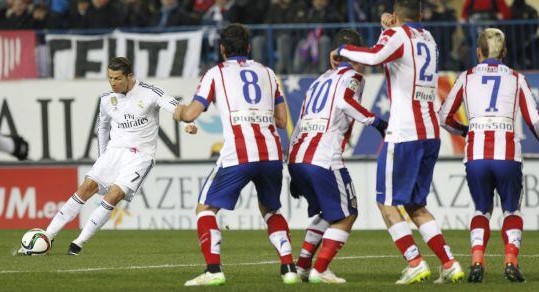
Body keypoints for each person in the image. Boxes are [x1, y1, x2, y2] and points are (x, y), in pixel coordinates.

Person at [330, 0, 465, 284]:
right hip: (430, 133)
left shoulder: (397, 36)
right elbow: (396, 55)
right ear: (419, 14)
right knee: (415, 204)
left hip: (404, 133)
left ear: (395, 14)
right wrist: (385, 28)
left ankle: (415, 262)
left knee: (385, 202)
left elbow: (375, 57)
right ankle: (449, 262)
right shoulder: (428, 39)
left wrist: (341, 50)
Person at [27, 57, 197, 256]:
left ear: (130, 76)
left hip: (140, 156)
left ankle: (79, 243)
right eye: (110, 78)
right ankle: (48, 235)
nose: (113, 83)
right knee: (85, 188)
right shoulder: (107, 99)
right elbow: (103, 127)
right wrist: (102, 156)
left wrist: (187, 124)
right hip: (114, 152)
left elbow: (176, 107)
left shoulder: (150, 92)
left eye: (117, 78)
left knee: (114, 195)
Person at [174, 23, 300, 286]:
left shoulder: (215, 74)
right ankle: (289, 268)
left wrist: (179, 112)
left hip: (238, 155)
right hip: (272, 153)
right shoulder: (268, 72)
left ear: (222, 49)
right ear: (249, 47)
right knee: (271, 210)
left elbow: (191, 114)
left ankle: (213, 270)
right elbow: (281, 120)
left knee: (205, 208)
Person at [439, 28, 539, 283]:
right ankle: (510, 261)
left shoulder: (466, 77)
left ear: (478, 52)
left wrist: (465, 130)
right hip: (507, 154)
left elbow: (443, 116)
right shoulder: (516, 78)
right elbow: (535, 122)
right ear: (504, 52)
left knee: (481, 210)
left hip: (476, 155)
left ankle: (476, 261)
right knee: (512, 211)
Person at [288, 28, 388, 284]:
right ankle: (320, 269)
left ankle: (302, 266)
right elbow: (344, 101)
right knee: (347, 213)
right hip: (324, 156)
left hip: (299, 156)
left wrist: (292, 167)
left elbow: (299, 122)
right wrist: (376, 122)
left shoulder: (319, 80)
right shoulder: (354, 76)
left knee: (327, 209)